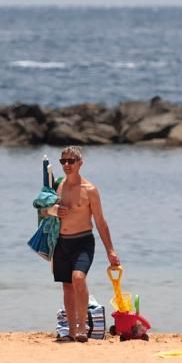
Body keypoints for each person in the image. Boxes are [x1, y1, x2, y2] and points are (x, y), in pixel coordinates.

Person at [52, 146, 120, 343]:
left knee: (78, 278)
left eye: (71, 161)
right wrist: (53, 210)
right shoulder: (58, 186)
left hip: (83, 241)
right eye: (63, 161)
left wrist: (110, 250)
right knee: (67, 286)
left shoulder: (89, 190)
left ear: (80, 163)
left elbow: (100, 221)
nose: (66, 165)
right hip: (61, 242)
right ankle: (71, 331)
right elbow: (43, 212)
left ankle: (83, 327)